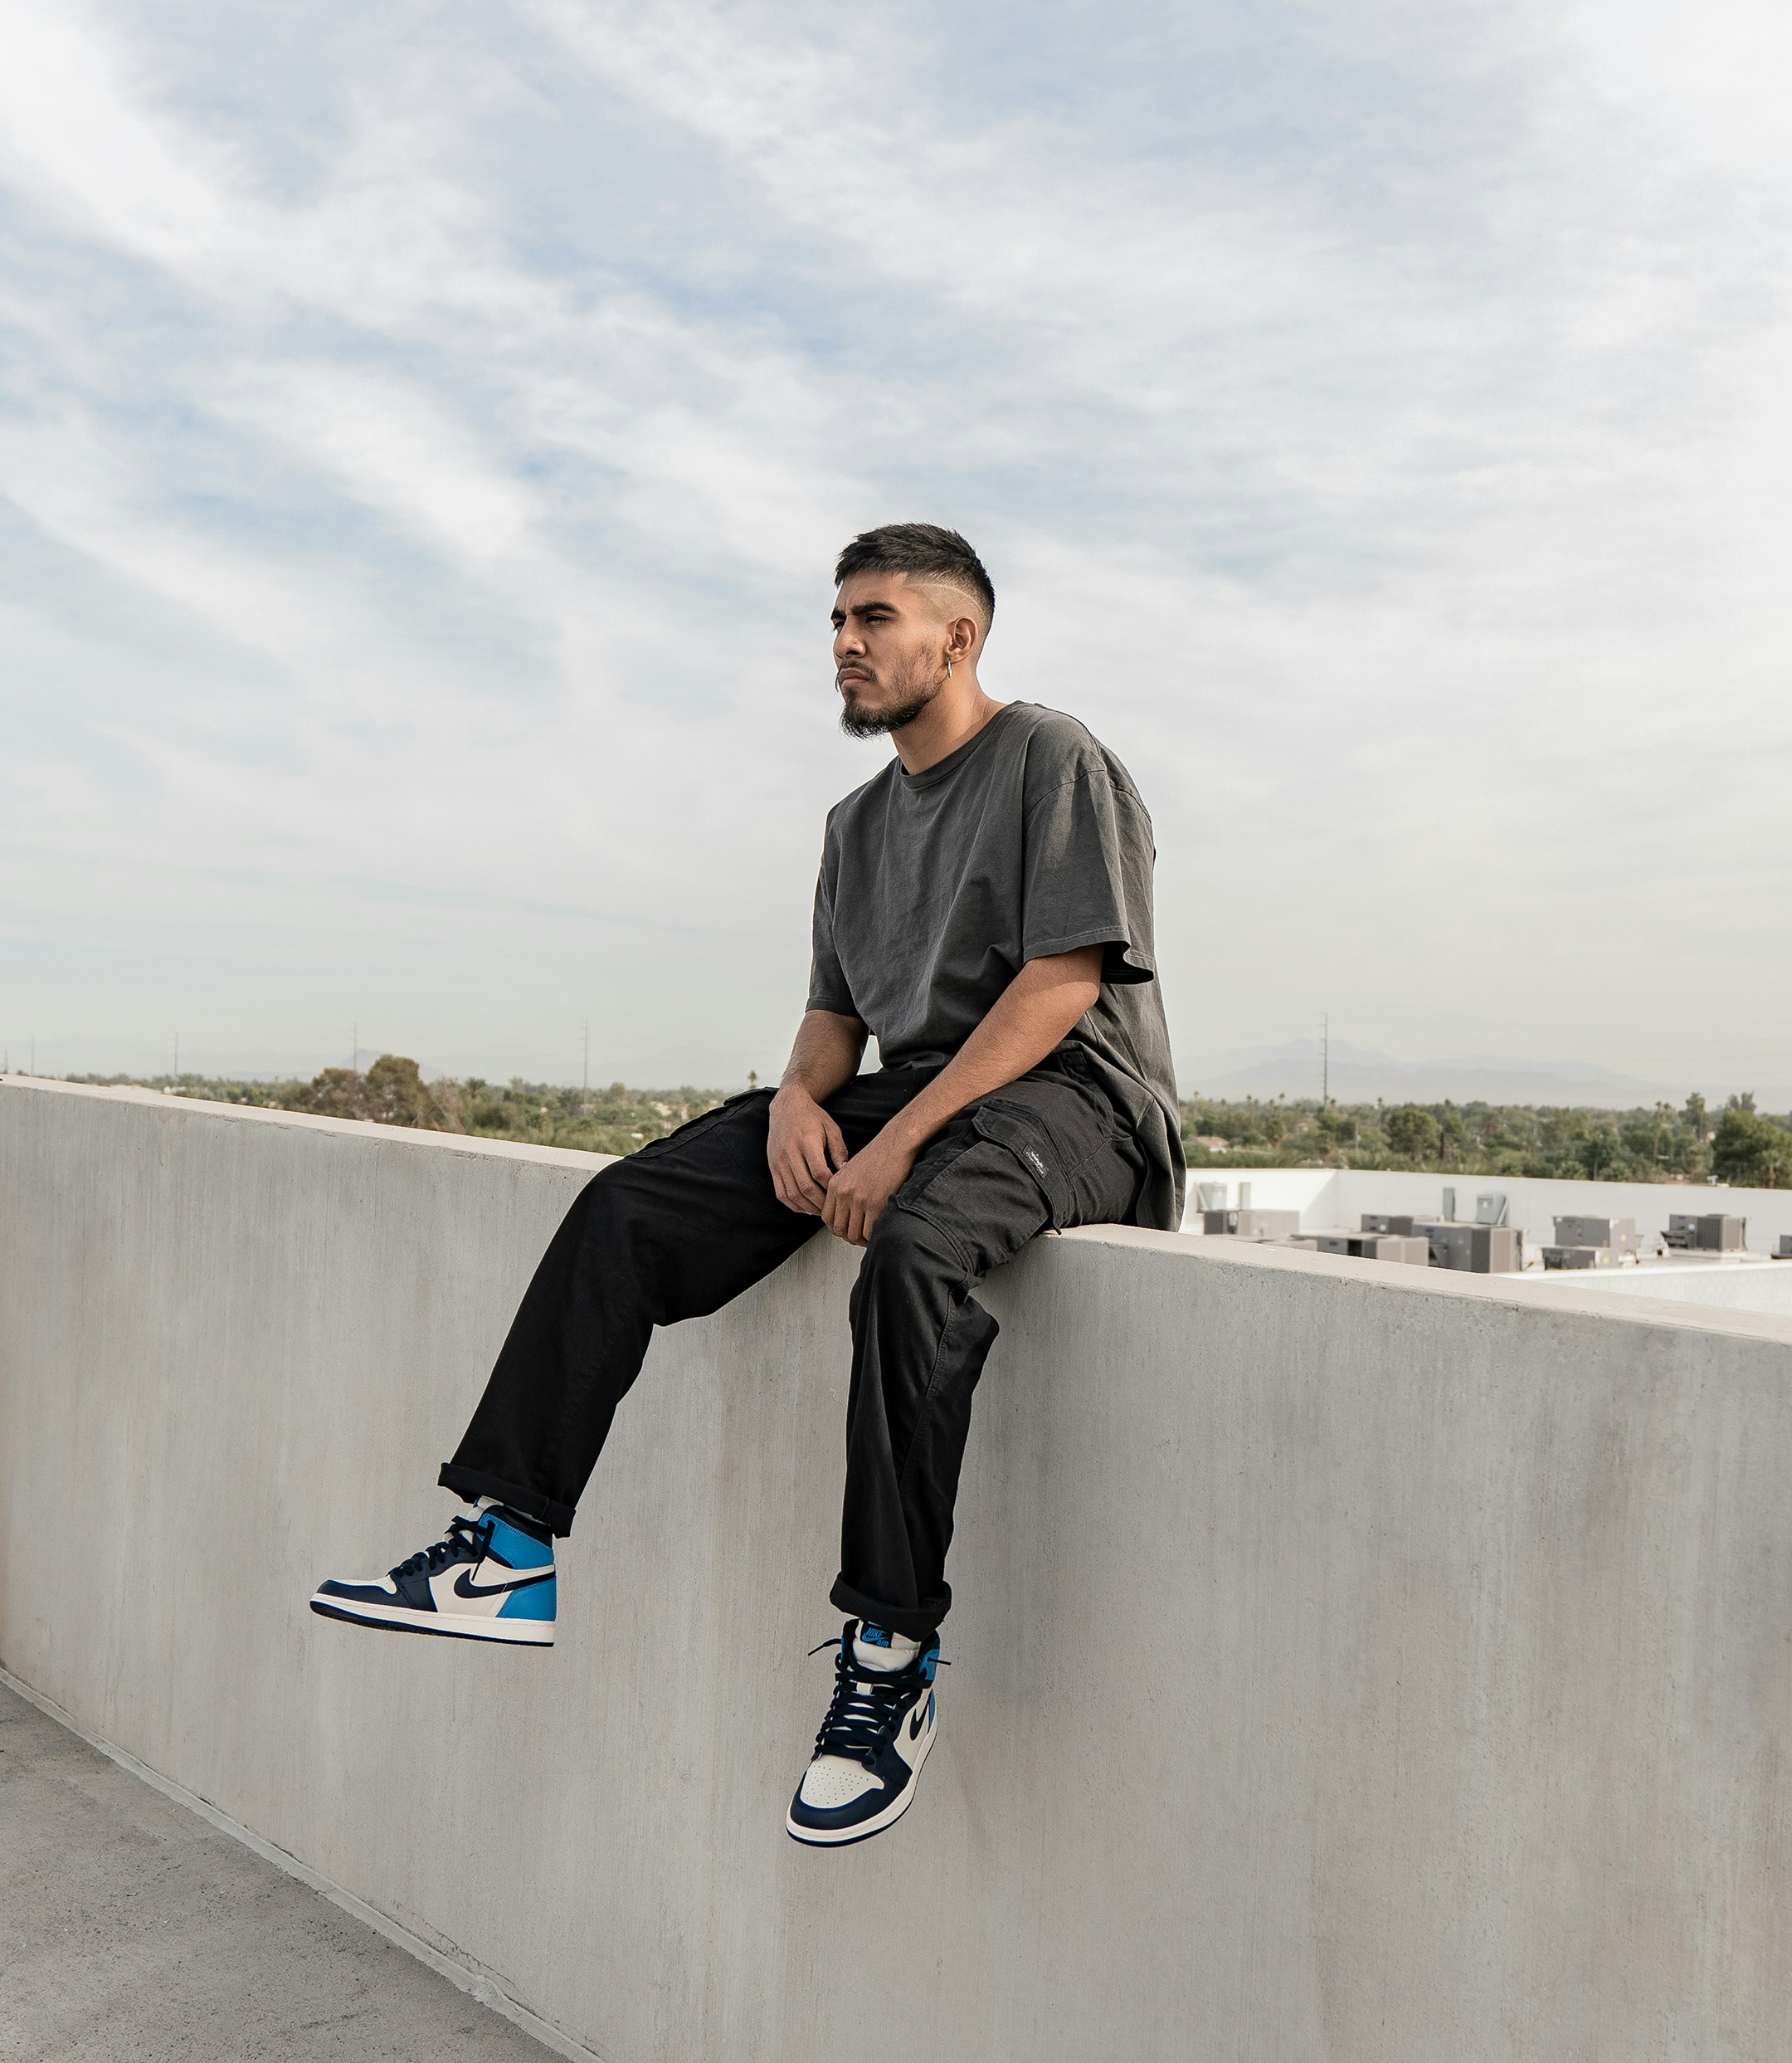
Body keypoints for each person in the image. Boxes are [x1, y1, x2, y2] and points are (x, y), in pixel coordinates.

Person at [311, 523, 1182, 1848]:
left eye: (874, 618)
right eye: (836, 619)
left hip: (1079, 1098)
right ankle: (510, 1552)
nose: (844, 643)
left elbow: (1061, 984)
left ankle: (889, 1656)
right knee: (628, 1207)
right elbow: (836, 1017)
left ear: (958, 637)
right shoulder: (856, 825)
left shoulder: (1049, 759)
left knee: (914, 1253)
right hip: (921, 1089)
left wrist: (894, 1144)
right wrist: (794, 1101)